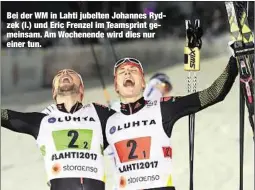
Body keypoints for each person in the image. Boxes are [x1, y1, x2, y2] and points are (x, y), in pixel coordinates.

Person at [103, 54, 239, 190]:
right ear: (115, 86)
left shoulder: (163, 107)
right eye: (122, 72)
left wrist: (234, 61)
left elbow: (213, 93)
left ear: (144, 83)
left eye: (133, 71)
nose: (127, 73)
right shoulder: (106, 118)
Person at [1, 69, 115, 190]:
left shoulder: (99, 113)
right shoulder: (43, 120)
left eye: (71, 73)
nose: (65, 74)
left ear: (81, 89)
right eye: (59, 75)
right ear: (54, 92)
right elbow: (8, 116)